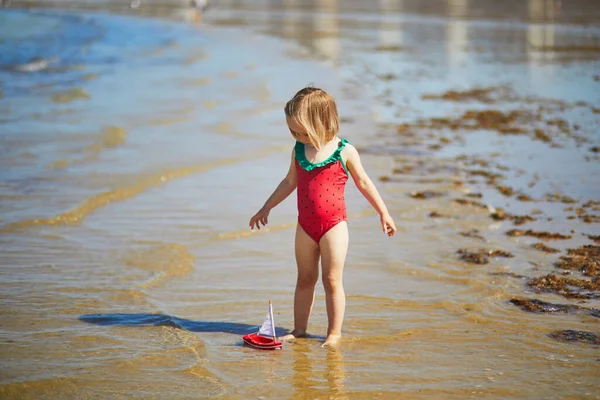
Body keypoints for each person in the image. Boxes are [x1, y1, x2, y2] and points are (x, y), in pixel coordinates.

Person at [249, 87, 396, 347]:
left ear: (322, 122)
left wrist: (383, 212)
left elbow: (363, 182)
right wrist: (266, 207)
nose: (297, 136)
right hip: (305, 226)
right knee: (305, 278)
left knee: (331, 279)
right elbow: (288, 182)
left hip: (334, 226)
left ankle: (334, 333)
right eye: (293, 131)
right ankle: (300, 329)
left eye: (302, 132)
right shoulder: (298, 150)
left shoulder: (344, 150)